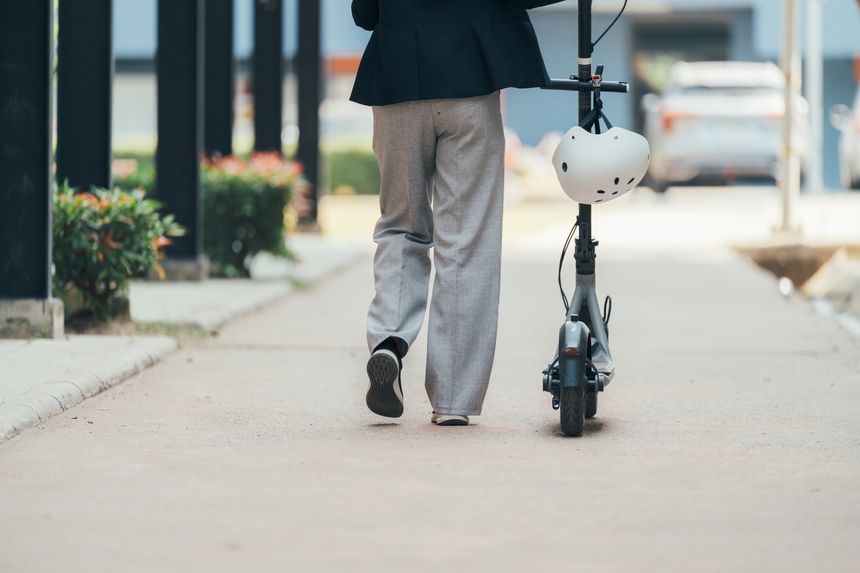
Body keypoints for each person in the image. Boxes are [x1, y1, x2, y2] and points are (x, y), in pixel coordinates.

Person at [351, 0, 563, 426]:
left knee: (401, 224)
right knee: (466, 240)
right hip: (471, 78)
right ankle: (452, 399)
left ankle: (389, 342)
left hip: (397, 81)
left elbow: (365, 13)